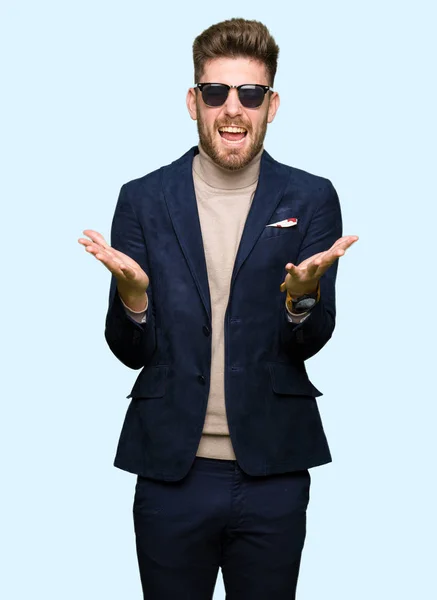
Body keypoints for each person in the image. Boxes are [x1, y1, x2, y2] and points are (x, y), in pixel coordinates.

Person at [79, 17, 358, 600]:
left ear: (271, 104)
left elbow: (310, 340)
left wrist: (303, 296)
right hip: (170, 472)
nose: (233, 109)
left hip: (274, 471)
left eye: (250, 94)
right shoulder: (143, 199)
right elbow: (130, 353)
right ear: (193, 100)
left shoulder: (311, 197)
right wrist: (133, 300)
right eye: (216, 93)